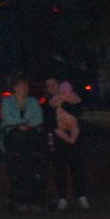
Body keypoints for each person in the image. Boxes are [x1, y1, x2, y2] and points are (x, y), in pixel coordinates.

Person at [0, 76, 45, 212]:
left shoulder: (33, 101)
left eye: (25, 86)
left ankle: (31, 197)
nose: (24, 88)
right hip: (13, 138)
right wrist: (24, 122)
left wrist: (23, 123)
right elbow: (8, 119)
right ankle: (22, 198)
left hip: (30, 138)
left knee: (28, 160)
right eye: (21, 86)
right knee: (22, 158)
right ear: (14, 87)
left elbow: (39, 118)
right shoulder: (7, 102)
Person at [44, 79, 87, 211]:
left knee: (77, 166)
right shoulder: (47, 105)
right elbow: (49, 124)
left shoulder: (71, 99)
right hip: (58, 139)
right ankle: (62, 198)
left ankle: (81, 196)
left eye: (54, 84)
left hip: (74, 138)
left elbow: (79, 112)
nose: (52, 87)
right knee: (60, 167)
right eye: (48, 85)